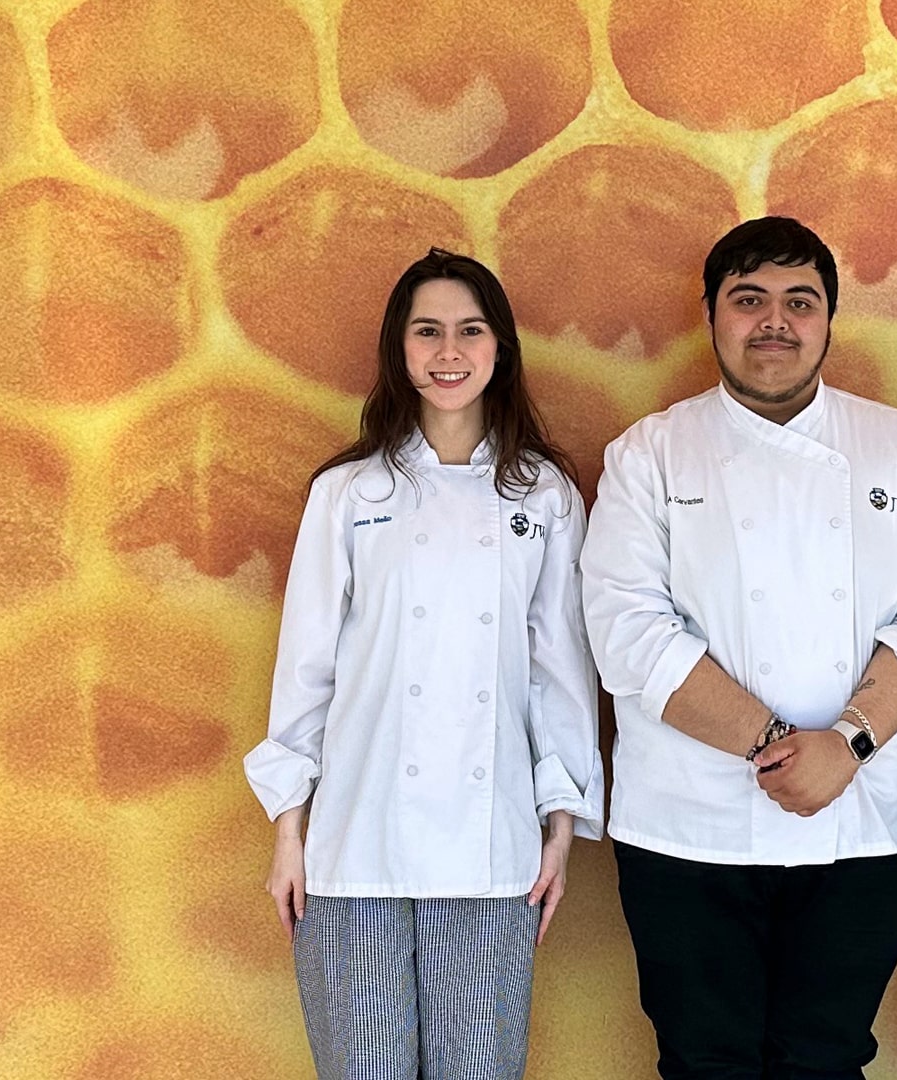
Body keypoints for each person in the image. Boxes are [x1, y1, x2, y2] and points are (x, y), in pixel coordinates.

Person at [581, 216, 897, 1080]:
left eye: (800, 301)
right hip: (687, 827)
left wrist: (848, 744)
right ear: (712, 316)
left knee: (827, 1061)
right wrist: (776, 745)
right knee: (702, 1062)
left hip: (858, 823)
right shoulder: (648, 454)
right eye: (748, 299)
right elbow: (626, 627)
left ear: (829, 319)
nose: (775, 321)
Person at [243, 248, 603, 1080]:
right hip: (351, 845)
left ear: (500, 348)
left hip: (493, 850)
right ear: (399, 351)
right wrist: (289, 835)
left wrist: (559, 827)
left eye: (470, 331)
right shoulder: (348, 493)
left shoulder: (543, 496)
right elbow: (306, 672)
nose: (450, 352)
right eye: (428, 331)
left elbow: (560, 674)